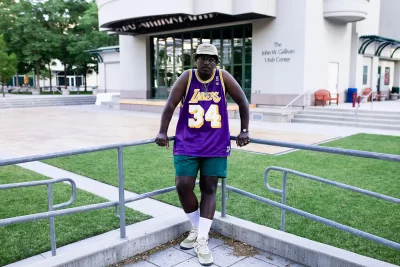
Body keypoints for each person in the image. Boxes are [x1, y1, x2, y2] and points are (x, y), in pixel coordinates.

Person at [155, 43, 250, 266]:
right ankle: (198, 229)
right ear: (195, 60)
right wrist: (162, 131)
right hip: (187, 143)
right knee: (182, 185)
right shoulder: (187, 77)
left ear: (216, 62)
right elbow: (170, 105)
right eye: (202, 58)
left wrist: (244, 130)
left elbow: (243, 102)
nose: (206, 62)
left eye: (211, 59)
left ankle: (202, 238)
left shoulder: (223, 77)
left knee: (209, 188)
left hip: (215, 145)